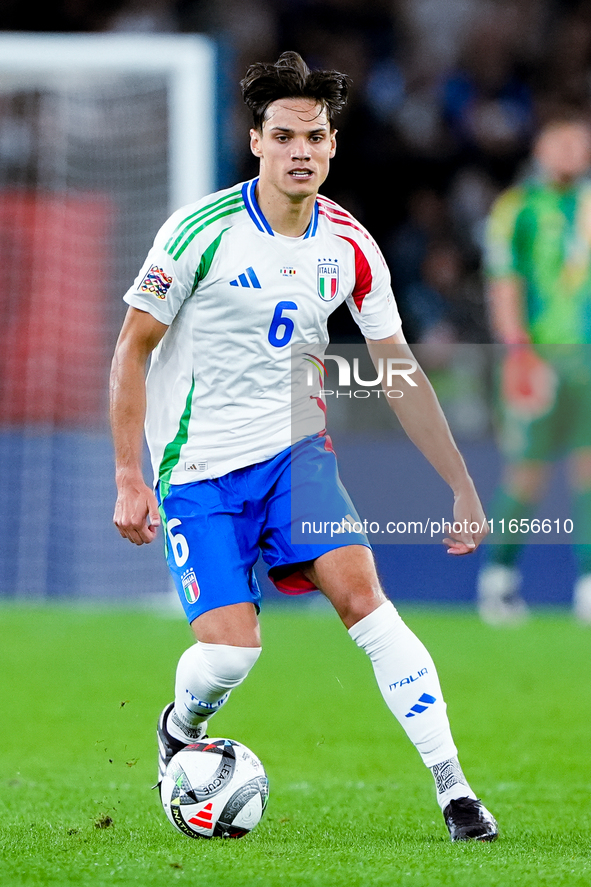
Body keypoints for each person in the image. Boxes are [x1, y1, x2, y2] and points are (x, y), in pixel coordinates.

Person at [110, 51, 498, 841]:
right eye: (283, 135)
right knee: (227, 659)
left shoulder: (349, 245)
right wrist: (129, 473)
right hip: (197, 473)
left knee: (366, 599)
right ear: (255, 141)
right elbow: (132, 349)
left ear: (331, 145)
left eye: (314, 136)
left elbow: (396, 370)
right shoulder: (198, 233)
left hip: (295, 457)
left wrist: (459, 483)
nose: (300, 150)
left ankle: (455, 790)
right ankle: (180, 727)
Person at [478, 112, 591, 624]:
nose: (574, 152)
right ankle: (499, 580)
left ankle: (587, 587)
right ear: (541, 147)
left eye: (581, 143)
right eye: (563, 141)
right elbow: (505, 283)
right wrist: (517, 355)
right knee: (528, 473)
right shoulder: (517, 207)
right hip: (540, 357)